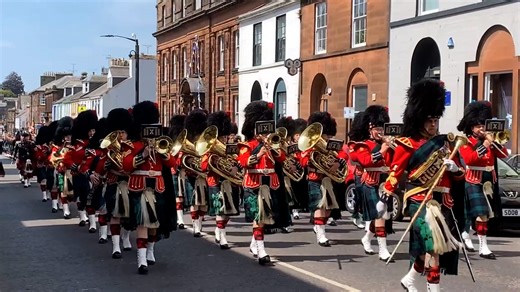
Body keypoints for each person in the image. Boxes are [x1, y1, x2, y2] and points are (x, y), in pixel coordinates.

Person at [382, 79, 463, 292]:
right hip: (419, 199)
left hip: (441, 200)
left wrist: (454, 169)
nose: (434, 125)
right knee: (433, 247)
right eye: (430, 121)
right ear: (419, 120)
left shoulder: (446, 143)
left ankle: (409, 279)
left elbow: (459, 175)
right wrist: (387, 195)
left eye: (436, 120)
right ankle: (433, 289)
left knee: (428, 249)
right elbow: (396, 171)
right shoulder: (407, 144)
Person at [122, 101, 177, 275]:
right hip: (139, 186)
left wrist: (162, 152)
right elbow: (126, 165)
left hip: (158, 187)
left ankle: (151, 249)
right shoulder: (133, 145)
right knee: (142, 222)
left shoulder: (161, 144)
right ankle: (141, 259)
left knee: (155, 224)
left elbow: (172, 163)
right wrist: (143, 154)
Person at [457, 100, 508, 259]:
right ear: (471, 127)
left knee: (486, 213)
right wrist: (485, 143)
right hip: (473, 180)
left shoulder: (491, 142)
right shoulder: (466, 142)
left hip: (489, 181)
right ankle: (483, 247)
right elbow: (470, 159)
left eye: (483, 126)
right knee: (482, 213)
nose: (482, 129)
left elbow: (504, 155)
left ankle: (467, 232)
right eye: (478, 126)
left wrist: (495, 143)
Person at [238, 101, 286, 264]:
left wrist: (272, 147)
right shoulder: (246, 145)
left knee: (264, 217)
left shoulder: (272, 143)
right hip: (253, 181)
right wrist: (259, 152)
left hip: (270, 182)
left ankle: (255, 244)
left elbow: (281, 159)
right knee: (259, 216)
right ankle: (262, 250)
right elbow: (245, 161)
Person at [355, 105, 394, 260]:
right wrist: (383, 149)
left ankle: (367, 238)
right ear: (369, 129)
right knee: (380, 215)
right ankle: (383, 249)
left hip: (385, 184)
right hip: (370, 183)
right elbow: (366, 161)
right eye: (377, 128)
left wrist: (394, 148)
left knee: (384, 215)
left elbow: (394, 163)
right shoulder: (362, 145)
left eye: (381, 128)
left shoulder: (388, 144)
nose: (380, 132)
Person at [200, 111, 241, 249]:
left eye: (225, 136)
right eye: (221, 137)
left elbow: (239, 162)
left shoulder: (232, 148)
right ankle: (222, 236)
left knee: (230, 211)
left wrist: (236, 166)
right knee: (220, 209)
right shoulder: (209, 150)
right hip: (216, 181)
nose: (223, 140)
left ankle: (219, 229)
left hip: (230, 182)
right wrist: (214, 159)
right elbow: (203, 166)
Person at [104, 108, 134, 258]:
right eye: (119, 132)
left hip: (129, 183)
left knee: (128, 216)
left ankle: (126, 237)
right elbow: (101, 167)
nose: (121, 135)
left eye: (123, 132)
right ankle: (116, 246)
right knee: (114, 215)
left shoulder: (132, 148)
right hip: (114, 182)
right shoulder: (109, 148)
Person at [63, 110, 98, 227]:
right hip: (79, 174)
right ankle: (82, 216)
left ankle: (93, 223)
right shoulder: (76, 145)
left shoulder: (94, 143)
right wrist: (75, 166)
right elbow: (67, 159)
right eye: (90, 130)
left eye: (93, 130)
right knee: (81, 197)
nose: (92, 132)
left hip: (93, 174)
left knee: (90, 198)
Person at [182, 109, 209, 237]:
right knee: (195, 201)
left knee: (203, 203)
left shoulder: (205, 142)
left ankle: (199, 223)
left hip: (203, 175)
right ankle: (195, 226)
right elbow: (181, 159)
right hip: (192, 175)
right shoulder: (189, 142)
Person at [82, 118, 109, 238]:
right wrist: (90, 174)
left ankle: (110, 232)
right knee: (91, 202)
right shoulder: (93, 151)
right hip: (97, 181)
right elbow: (85, 165)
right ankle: (94, 225)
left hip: (112, 181)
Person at [346, 111, 367, 229]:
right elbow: (354, 159)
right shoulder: (355, 142)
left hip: (372, 173)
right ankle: (357, 214)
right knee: (359, 195)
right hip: (360, 172)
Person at [51, 117, 74, 219]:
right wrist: (60, 164)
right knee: (62, 189)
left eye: (70, 136)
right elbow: (53, 158)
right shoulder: (58, 148)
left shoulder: (75, 147)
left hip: (73, 172)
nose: (68, 138)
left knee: (72, 193)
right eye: (67, 136)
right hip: (61, 171)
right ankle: (66, 210)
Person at [168, 114, 187, 230]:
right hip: (174, 169)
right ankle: (180, 219)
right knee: (177, 196)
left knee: (181, 196)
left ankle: (180, 218)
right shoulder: (171, 141)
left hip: (183, 170)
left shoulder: (184, 140)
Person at [34, 126, 52, 202]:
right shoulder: (38, 146)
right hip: (41, 164)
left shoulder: (50, 145)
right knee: (43, 179)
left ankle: (47, 194)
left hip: (49, 164)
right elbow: (37, 156)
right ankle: (44, 195)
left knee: (49, 180)